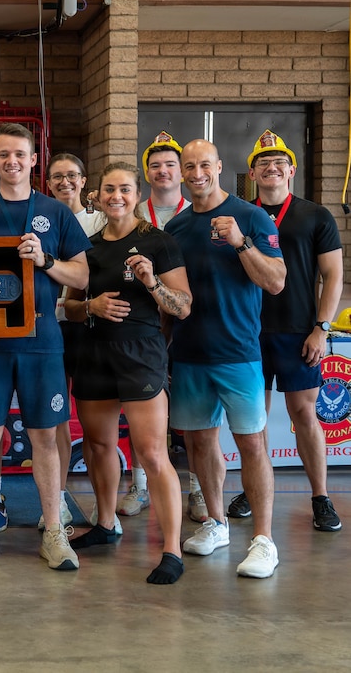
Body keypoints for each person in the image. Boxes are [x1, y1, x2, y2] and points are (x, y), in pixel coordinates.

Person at [0, 123, 90, 570]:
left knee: (44, 438)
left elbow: (84, 278)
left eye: (21, 155)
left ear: (34, 162)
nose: (12, 161)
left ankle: (54, 531)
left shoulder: (56, 213)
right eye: (4, 154)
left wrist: (46, 261)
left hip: (41, 341)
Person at [64, 162, 192, 584]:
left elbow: (183, 306)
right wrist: (91, 306)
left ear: (136, 195)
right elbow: (70, 306)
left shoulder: (159, 241)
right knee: (99, 445)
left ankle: (171, 550)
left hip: (141, 353)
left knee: (153, 454)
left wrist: (152, 283)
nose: (115, 196)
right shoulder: (88, 245)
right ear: (96, 196)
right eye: (108, 190)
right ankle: (104, 523)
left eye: (124, 189)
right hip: (95, 352)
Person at [165, 139, 286, 579]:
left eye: (204, 165)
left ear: (220, 166)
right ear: (182, 173)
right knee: (199, 441)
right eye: (189, 166)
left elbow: (275, 282)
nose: (197, 173)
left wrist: (240, 242)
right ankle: (216, 523)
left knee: (252, 443)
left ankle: (263, 540)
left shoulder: (251, 217)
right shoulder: (176, 228)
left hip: (238, 352)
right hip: (191, 353)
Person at [224, 130, 343, 532]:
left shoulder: (316, 215)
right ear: (253, 173)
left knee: (304, 413)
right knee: (252, 420)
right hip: (247, 332)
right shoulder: (239, 215)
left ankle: (321, 497)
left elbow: (333, 276)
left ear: (291, 170)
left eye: (279, 163)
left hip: (297, 333)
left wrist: (321, 328)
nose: (271, 168)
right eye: (263, 163)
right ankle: (251, 488)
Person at [118, 132, 208, 522]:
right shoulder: (131, 216)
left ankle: (199, 488)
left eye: (171, 164)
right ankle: (140, 483)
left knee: (196, 415)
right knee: (144, 416)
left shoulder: (198, 213)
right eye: (155, 165)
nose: (164, 170)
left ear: (182, 172)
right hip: (146, 332)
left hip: (192, 328)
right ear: (146, 173)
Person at [44, 153, 105, 533]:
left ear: (84, 181)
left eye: (72, 176)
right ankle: (59, 498)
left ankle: (106, 503)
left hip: (88, 328)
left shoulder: (98, 221)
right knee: (56, 420)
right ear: (47, 183)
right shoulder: (41, 218)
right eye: (56, 177)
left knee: (97, 424)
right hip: (51, 330)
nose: (65, 182)